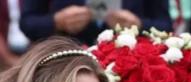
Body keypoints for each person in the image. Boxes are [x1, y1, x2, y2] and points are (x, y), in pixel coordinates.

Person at [19, 1, 170, 46]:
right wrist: (56, 22)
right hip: (63, 66)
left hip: (126, 70)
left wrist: (139, 25)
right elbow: (27, 23)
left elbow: (165, 25)